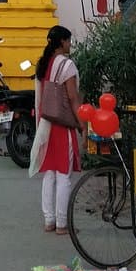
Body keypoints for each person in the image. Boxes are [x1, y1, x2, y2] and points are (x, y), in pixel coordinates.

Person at [28, 26, 82, 234]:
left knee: (49, 174)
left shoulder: (44, 64)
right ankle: (62, 223)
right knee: (63, 176)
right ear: (61, 42)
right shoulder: (67, 65)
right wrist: (82, 124)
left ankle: (49, 220)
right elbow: (72, 98)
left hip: (45, 124)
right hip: (62, 125)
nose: (70, 45)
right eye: (68, 41)